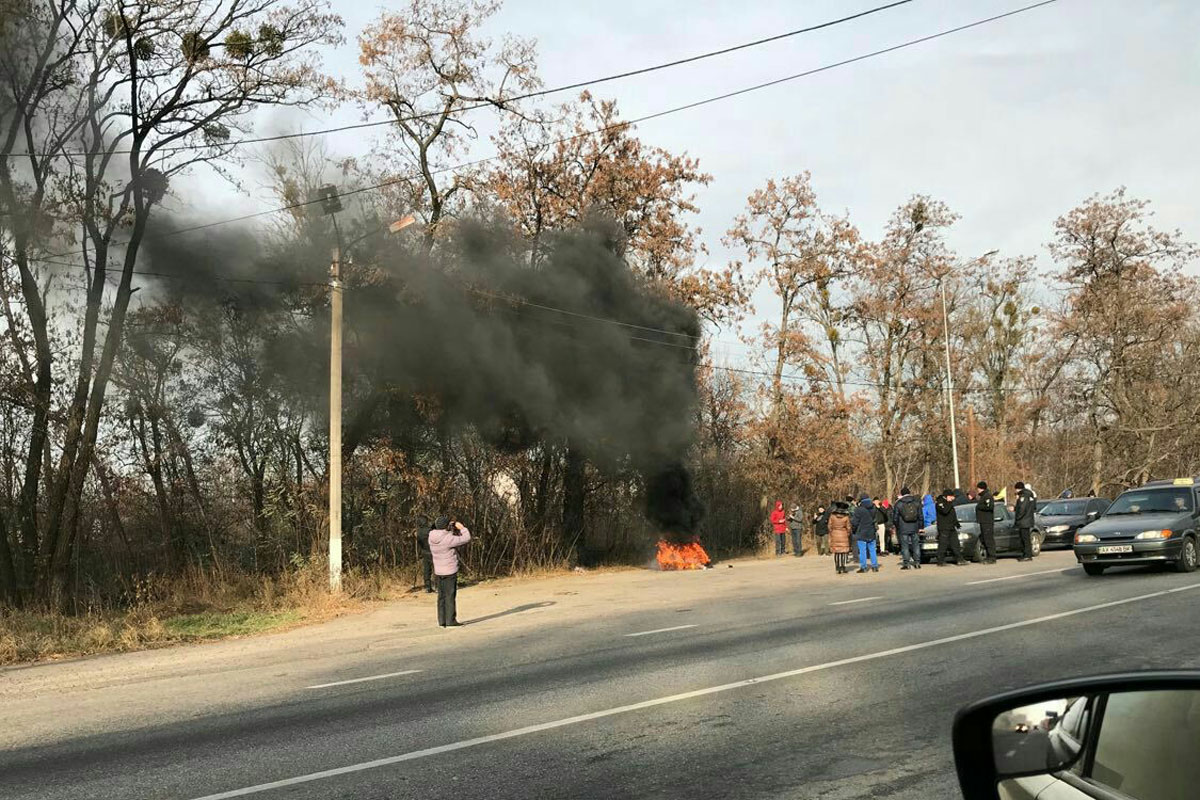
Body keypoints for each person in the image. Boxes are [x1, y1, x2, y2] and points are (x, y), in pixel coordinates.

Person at [428, 516, 472, 627]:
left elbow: (439, 531)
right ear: (447, 526)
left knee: (441, 596)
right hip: (450, 570)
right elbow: (466, 538)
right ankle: (451, 620)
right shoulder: (448, 539)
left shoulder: (431, 537)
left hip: (438, 571)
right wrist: (462, 528)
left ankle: (442, 620)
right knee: (450, 595)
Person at [892, 487, 923, 570]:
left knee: (904, 546)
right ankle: (917, 562)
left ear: (901, 494)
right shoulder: (916, 502)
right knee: (916, 545)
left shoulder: (898, 503)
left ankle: (907, 563)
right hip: (915, 527)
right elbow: (920, 515)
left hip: (903, 528)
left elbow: (895, 518)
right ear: (909, 492)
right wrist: (920, 526)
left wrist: (897, 526)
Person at [935, 489, 965, 566]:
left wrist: (956, 523)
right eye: (951, 497)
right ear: (947, 496)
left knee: (955, 543)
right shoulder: (940, 503)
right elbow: (945, 511)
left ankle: (960, 559)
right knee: (943, 544)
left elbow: (952, 514)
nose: (953, 499)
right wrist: (949, 503)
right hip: (944, 527)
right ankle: (940, 561)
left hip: (951, 527)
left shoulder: (950, 503)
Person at [851, 495, 880, 573]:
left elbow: (854, 522)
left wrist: (853, 530)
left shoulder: (859, 510)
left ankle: (863, 567)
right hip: (871, 531)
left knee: (862, 551)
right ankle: (875, 566)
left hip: (861, 532)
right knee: (872, 550)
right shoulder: (874, 508)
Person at [1013, 481, 1037, 561]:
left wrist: (1017, 518)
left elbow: (1022, 509)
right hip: (1027, 520)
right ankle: (1026, 554)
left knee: (1025, 539)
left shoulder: (1023, 496)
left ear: (1018, 489)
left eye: (1016, 489)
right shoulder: (1029, 495)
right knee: (1025, 538)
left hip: (1024, 521)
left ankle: (1027, 555)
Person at [828, 501, 853, 574]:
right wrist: (847, 533)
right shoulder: (846, 517)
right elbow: (848, 527)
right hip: (843, 534)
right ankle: (843, 567)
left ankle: (837, 567)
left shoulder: (832, 516)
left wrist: (832, 532)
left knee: (837, 552)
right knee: (843, 552)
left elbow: (829, 526)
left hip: (835, 534)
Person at [975, 481, 997, 564]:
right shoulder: (983, 496)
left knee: (989, 539)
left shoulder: (987, 496)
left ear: (981, 488)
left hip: (987, 522)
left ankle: (992, 557)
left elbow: (989, 507)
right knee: (985, 539)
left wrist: (979, 506)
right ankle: (989, 556)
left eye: (978, 489)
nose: (977, 490)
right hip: (983, 521)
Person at [416, 518, 434, 593]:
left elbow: (419, 543)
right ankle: (437, 586)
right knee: (437, 569)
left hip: (425, 552)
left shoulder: (419, 532)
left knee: (427, 570)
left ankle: (427, 587)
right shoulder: (431, 531)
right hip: (434, 552)